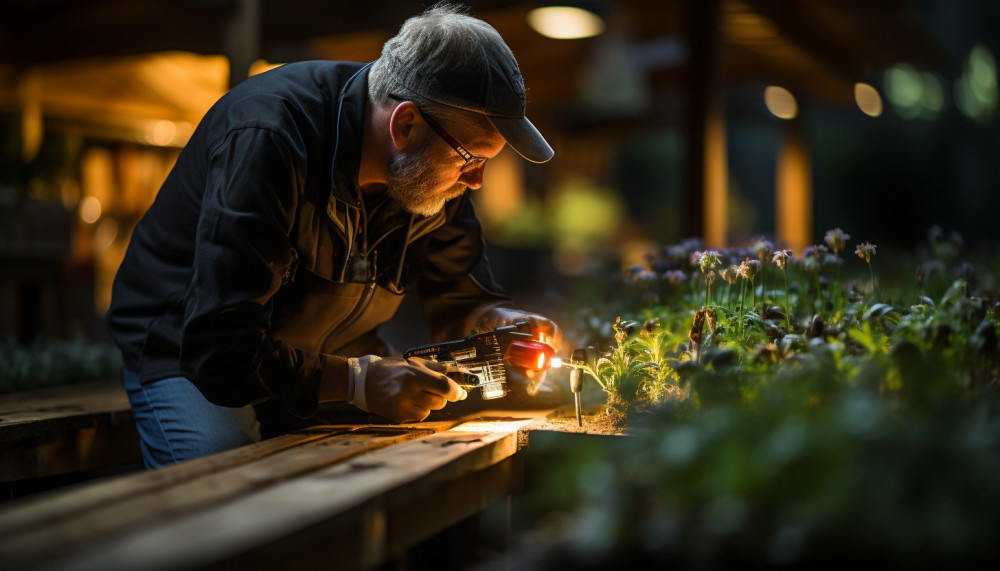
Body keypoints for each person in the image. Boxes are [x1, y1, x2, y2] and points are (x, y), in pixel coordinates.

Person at [106, 3, 561, 468]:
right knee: (225, 481)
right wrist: (358, 382)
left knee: (406, 464)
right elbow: (219, 347)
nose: (476, 181)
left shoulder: (428, 171)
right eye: (472, 158)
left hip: (322, 349)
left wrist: (494, 320)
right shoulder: (270, 138)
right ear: (405, 125)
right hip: (187, 348)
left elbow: (458, 294)